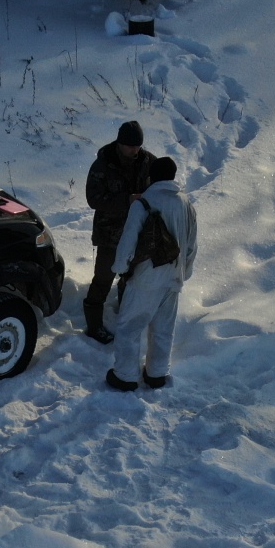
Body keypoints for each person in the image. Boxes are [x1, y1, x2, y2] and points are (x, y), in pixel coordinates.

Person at [106, 156, 197, 392]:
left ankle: (125, 376)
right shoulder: (186, 203)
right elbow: (191, 244)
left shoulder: (143, 202)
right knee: (163, 329)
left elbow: (129, 240)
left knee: (129, 327)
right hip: (173, 277)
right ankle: (156, 374)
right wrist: (184, 271)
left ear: (152, 176)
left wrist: (120, 268)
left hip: (146, 278)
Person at [84, 120, 156, 344]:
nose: (134, 150)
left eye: (138, 146)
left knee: (131, 277)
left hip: (137, 233)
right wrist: (126, 200)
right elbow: (93, 198)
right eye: (130, 146)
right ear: (120, 143)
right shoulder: (103, 164)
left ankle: (126, 313)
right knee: (103, 278)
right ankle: (94, 326)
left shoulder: (148, 162)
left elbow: (159, 187)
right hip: (110, 235)